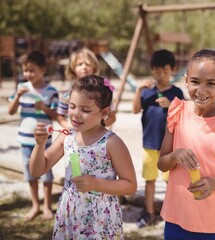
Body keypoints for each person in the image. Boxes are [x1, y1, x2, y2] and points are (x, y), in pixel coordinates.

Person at [30, 75, 137, 239]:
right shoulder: (67, 137)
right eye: (72, 106)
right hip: (70, 213)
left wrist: (95, 183)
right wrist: (39, 144)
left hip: (100, 220)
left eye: (85, 110)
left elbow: (130, 186)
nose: (76, 114)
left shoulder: (111, 143)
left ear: (105, 112)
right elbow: (37, 170)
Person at [157, 48, 215, 239]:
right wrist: (175, 155)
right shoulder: (177, 112)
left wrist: (212, 183)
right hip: (176, 219)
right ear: (186, 80)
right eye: (195, 81)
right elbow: (162, 164)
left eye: (211, 84)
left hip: (212, 224)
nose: (201, 90)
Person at [132, 49, 185, 227]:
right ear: (152, 70)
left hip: (169, 146)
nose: (160, 75)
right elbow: (135, 109)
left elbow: (183, 117)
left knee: (171, 181)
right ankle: (149, 212)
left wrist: (171, 106)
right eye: (156, 70)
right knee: (150, 179)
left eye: (165, 71)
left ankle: (171, 212)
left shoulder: (176, 92)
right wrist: (139, 89)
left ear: (172, 70)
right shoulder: (148, 91)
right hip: (149, 144)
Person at [8, 50, 59, 221]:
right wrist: (18, 96)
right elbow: (11, 111)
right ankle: (35, 205)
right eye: (25, 70)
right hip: (25, 140)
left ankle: (46, 207)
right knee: (30, 175)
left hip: (44, 142)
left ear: (43, 69)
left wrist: (44, 108)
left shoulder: (51, 91)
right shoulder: (21, 88)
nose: (28, 74)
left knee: (47, 175)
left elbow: (57, 115)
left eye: (32, 70)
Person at [57, 47, 116, 128]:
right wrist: (69, 127)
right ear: (73, 68)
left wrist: (95, 128)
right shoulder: (67, 92)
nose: (84, 67)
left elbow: (112, 117)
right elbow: (60, 116)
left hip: (95, 137)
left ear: (94, 67)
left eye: (88, 64)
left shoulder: (101, 91)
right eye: (80, 64)